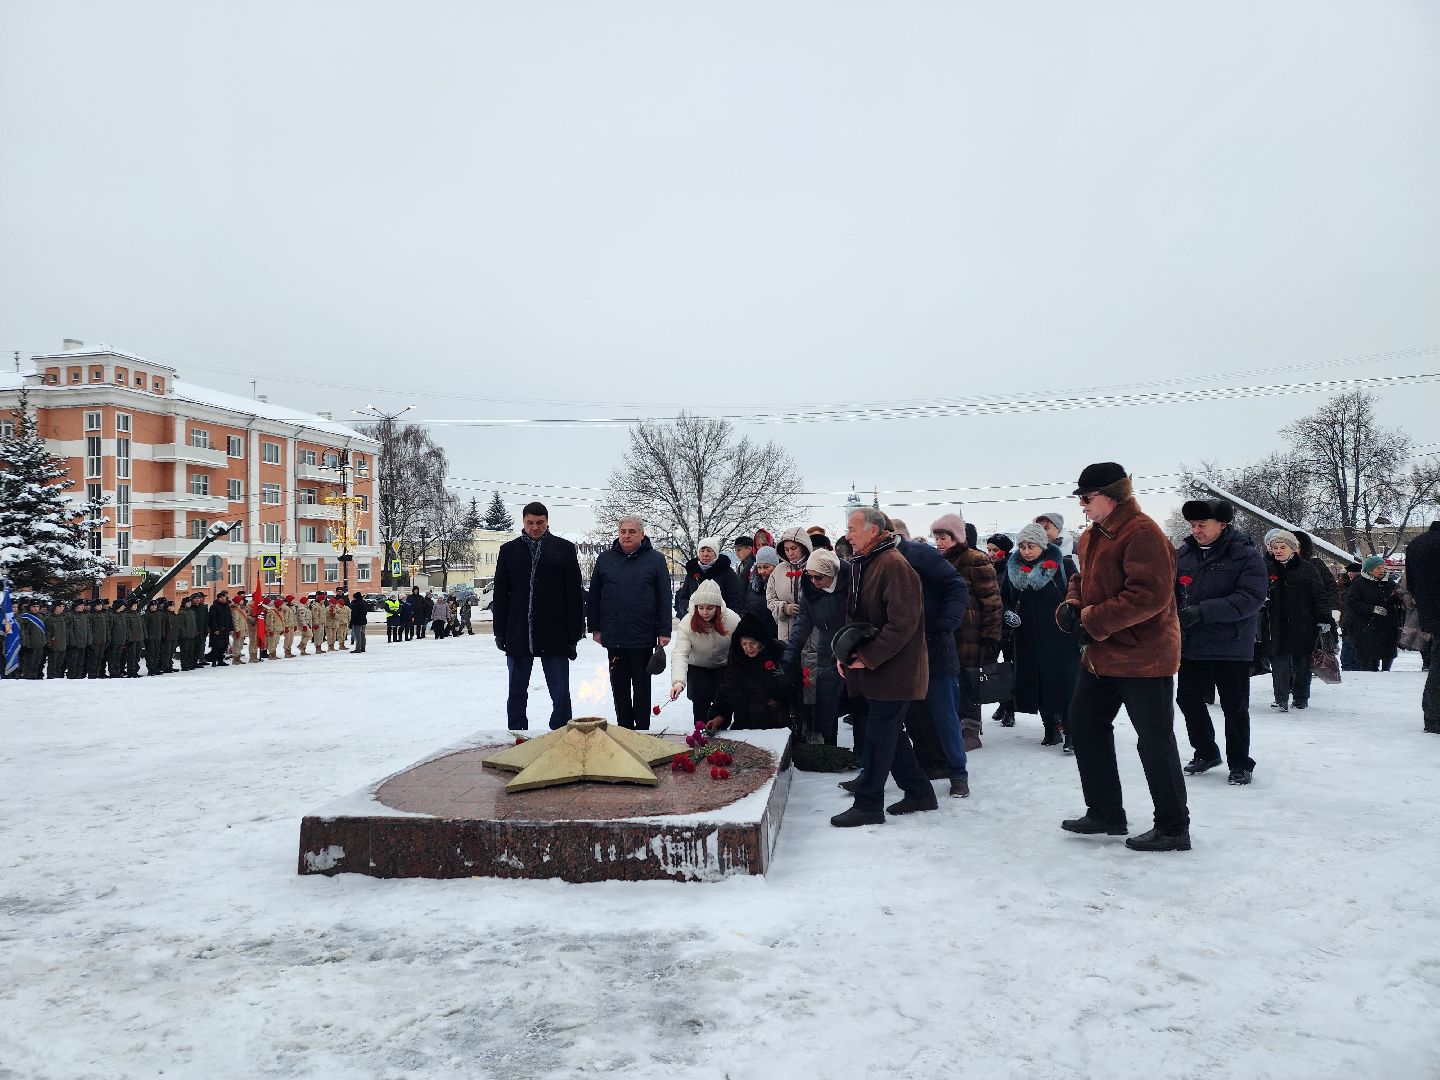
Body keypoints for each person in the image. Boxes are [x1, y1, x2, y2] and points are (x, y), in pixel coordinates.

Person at [1056, 462, 1190, 852]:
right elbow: (1081, 578)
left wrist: (1092, 621)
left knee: (1154, 740)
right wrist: (1072, 605)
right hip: (1102, 655)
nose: (1082, 504)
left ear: (1111, 497)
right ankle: (1105, 812)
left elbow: (1149, 595)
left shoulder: (1143, 532)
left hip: (1143, 656)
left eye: (1087, 497)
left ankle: (1173, 827)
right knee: (1084, 725)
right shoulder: (1091, 536)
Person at [830, 507, 937, 828]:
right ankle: (919, 792)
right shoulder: (867, 562)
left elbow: (902, 625)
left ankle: (868, 805)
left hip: (896, 671)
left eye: (853, 529)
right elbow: (858, 620)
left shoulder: (893, 564)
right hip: (879, 669)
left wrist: (867, 656)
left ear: (874, 531)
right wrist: (846, 654)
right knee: (891, 735)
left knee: (879, 737)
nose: (848, 535)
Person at [1173, 498, 1268, 786]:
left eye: (1202, 525)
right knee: (1187, 699)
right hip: (1193, 644)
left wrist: (1203, 611)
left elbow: (1250, 598)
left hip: (1231, 645)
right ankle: (1206, 751)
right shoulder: (1183, 555)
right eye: (1193, 525)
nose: (1196, 530)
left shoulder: (1245, 555)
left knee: (1234, 707)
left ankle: (1240, 763)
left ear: (1222, 525)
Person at [494, 502, 586, 731]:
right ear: (523, 522)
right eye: (530, 523)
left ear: (547, 522)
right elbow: (501, 595)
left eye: (540, 523)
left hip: (555, 631)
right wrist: (500, 632)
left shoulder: (564, 549)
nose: (535, 527)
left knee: (560, 691)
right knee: (516, 690)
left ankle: (562, 731)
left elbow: (574, 594)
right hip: (518, 631)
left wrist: (574, 634)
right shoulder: (509, 551)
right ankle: (517, 732)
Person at [589, 515, 672, 730]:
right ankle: (624, 729)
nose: (626, 535)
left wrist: (664, 631)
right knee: (619, 687)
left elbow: (664, 597)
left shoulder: (655, 560)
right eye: (623, 531)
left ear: (642, 534)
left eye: (632, 531)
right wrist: (595, 628)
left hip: (642, 636)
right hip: (614, 636)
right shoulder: (605, 559)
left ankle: (642, 731)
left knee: (642, 687)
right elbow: (595, 596)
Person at [1002, 523, 1080, 748]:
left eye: (1032, 546)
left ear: (1043, 545)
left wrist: (1074, 617)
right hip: (1027, 637)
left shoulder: (1062, 564)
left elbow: (1077, 594)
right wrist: (1008, 613)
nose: (1026, 551)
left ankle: (1071, 732)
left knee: (1064, 684)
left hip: (1059, 636)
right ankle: (1050, 729)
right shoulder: (1013, 569)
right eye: (1023, 546)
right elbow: (1004, 597)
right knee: (1039, 684)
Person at [933, 512, 1004, 755]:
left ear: (956, 537)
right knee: (952, 682)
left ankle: (971, 732)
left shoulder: (975, 559)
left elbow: (992, 601)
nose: (939, 543)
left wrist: (991, 636)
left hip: (973, 635)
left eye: (943, 538)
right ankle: (955, 729)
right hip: (948, 633)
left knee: (970, 681)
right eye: (937, 538)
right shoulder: (939, 561)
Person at [784, 548, 852, 746]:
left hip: (853, 650)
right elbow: (803, 623)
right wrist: (790, 654)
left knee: (858, 704)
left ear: (832, 574)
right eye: (810, 576)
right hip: (827, 649)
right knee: (827, 704)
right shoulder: (810, 590)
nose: (814, 581)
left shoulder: (851, 585)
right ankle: (830, 748)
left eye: (819, 577)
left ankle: (861, 753)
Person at [1261, 529, 1327, 712]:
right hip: (1275, 623)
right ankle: (1281, 698)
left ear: (1293, 548)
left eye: (1283, 547)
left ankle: (1300, 697)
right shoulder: (1267, 569)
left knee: (1302, 662)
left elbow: (1319, 596)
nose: (1278, 551)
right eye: (1275, 547)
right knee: (1279, 661)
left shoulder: (1307, 569)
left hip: (1303, 623)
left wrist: (1324, 617)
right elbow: (1257, 591)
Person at [670, 579, 742, 729]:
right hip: (697, 665)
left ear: (718, 607)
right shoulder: (687, 623)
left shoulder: (732, 620)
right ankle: (701, 730)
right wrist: (678, 682)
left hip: (723, 665)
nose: (704, 612)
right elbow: (680, 653)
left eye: (710, 608)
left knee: (722, 701)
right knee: (700, 697)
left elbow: (740, 648)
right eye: (701, 607)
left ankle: (722, 729)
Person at [705, 613, 794, 731]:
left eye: (752, 643)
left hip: (774, 720)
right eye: (744, 644)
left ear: (761, 642)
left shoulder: (776, 652)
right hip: (745, 720)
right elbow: (728, 689)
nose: (748, 648)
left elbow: (790, 684)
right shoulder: (738, 658)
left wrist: (779, 701)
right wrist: (719, 716)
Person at [1403, 520, 1440, 733]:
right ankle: (1434, 717)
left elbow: (1411, 584)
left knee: (1436, 664)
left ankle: (1432, 716)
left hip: (1429, 613)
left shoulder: (1416, 543)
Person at [1342, 555, 1404, 672]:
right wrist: (1372, 609)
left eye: (1383, 567)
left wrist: (1397, 599)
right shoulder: (1359, 583)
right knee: (1368, 662)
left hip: (1387, 627)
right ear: (1369, 570)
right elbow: (1352, 602)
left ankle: (1386, 674)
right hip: (1366, 627)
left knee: (1387, 657)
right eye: (1378, 568)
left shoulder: (1389, 583)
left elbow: (1396, 600)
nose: (1382, 570)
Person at [674, 536, 743, 618]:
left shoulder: (727, 572)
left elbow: (736, 600)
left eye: (709, 551)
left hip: (721, 620)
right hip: (696, 620)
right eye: (702, 551)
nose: (705, 554)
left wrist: (723, 616)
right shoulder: (692, 572)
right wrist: (690, 609)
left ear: (715, 554)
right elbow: (683, 598)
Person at [766, 528, 813, 644]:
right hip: (786, 636)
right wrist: (785, 608)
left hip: (811, 637)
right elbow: (770, 600)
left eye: (794, 548)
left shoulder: (815, 567)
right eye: (786, 550)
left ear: (804, 546)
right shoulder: (778, 570)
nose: (790, 553)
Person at [742, 546, 782, 641]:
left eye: (766, 567)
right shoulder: (753, 584)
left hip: (775, 638)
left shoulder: (782, 585)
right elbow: (747, 608)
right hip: (756, 637)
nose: (762, 571)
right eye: (759, 567)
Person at [1034, 512, 1079, 579]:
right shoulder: (1038, 550)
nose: (1042, 533)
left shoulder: (1074, 547)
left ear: (1058, 528)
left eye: (1046, 528)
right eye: (1039, 530)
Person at [1338, 561, 1363, 669]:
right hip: (1347, 618)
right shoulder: (1343, 585)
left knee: (1350, 643)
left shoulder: (1342, 584)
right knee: (1349, 643)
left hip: (1351, 618)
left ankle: (1350, 665)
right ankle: (1348, 665)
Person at [19, 599, 45, 679]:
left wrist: (44, 643)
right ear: (29, 607)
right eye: (34, 606)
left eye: (38, 606)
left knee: (37, 665)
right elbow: (24, 632)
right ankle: (27, 680)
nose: (36, 608)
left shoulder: (41, 616)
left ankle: (34, 680)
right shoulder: (26, 617)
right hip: (30, 645)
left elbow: (43, 632)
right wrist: (25, 645)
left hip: (39, 645)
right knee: (29, 665)